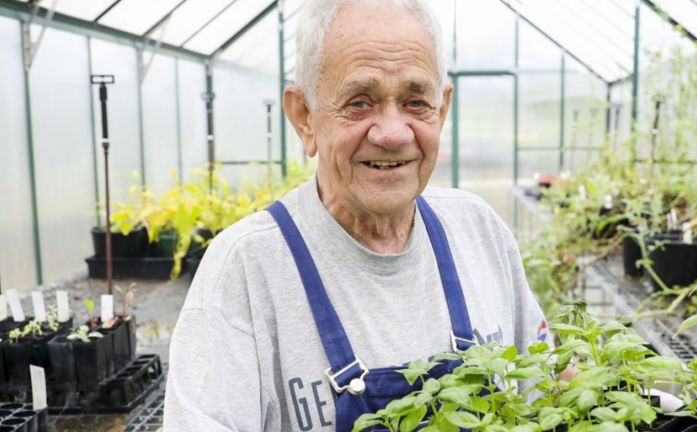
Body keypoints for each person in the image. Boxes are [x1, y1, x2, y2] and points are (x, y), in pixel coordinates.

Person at [163, 0, 549, 430]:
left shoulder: (479, 231)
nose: (392, 133)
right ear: (304, 117)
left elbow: (547, 388)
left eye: (415, 102)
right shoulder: (246, 269)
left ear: (441, 110)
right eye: (359, 102)